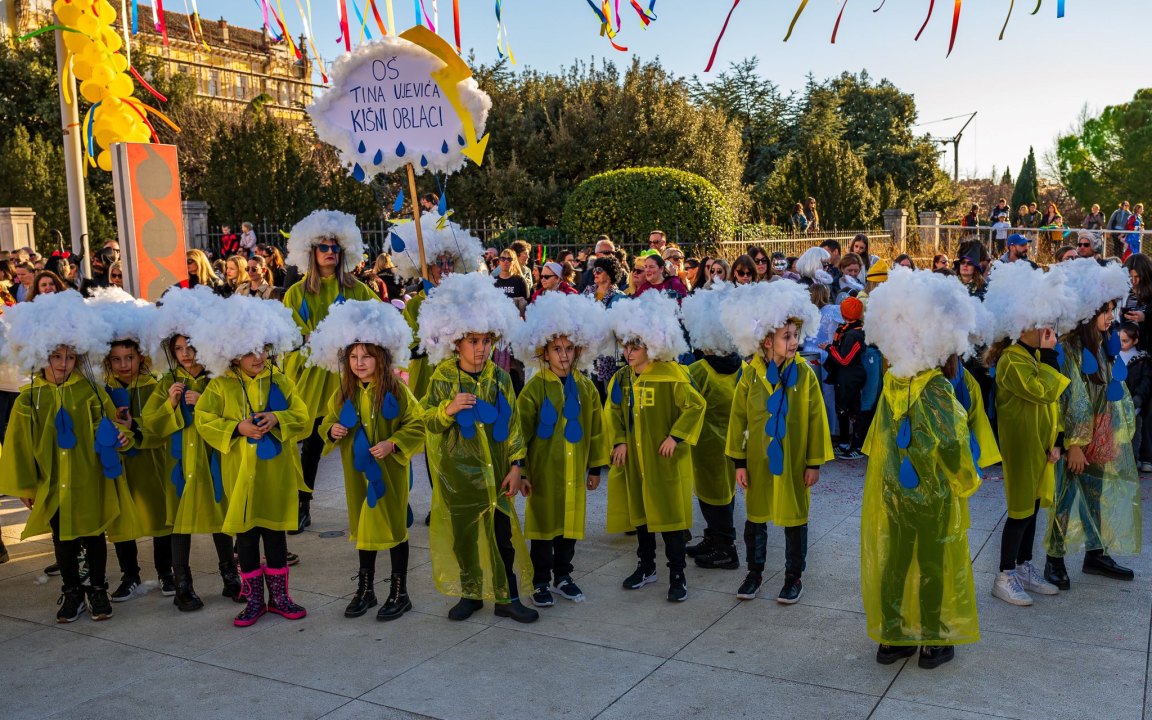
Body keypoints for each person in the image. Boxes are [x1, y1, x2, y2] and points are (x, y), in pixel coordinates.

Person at [859, 268, 983, 669]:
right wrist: (966, 479)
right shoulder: (937, 388)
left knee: (896, 561)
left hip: (896, 490)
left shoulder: (893, 382)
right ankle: (931, 640)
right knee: (932, 562)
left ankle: (892, 637)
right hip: (932, 496)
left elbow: (879, 440)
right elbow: (952, 445)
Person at [0, 290, 133, 622]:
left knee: (94, 534)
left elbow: (110, 427)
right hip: (52, 480)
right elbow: (19, 446)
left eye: (70, 357)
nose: (63, 364)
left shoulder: (90, 391)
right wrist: (27, 486)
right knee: (62, 538)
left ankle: (98, 589)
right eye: (56, 356)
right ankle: (72, 591)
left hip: (89, 477)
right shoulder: (29, 398)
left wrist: (120, 436)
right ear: (40, 354)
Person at [417, 273, 538, 623]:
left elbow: (513, 425)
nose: (482, 348)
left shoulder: (500, 377)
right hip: (458, 475)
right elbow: (426, 420)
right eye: (473, 341)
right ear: (456, 342)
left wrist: (516, 467)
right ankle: (470, 594)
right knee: (465, 537)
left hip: (497, 473)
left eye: (487, 341)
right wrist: (448, 409)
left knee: (503, 538)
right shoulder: (442, 377)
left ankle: (506, 597)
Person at [192, 294, 310, 626]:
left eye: (261, 348)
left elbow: (302, 416)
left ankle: (280, 597)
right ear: (231, 354)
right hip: (240, 475)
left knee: (275, 534)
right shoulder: (220, 387)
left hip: (275, 474)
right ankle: (255, 599)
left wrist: (277, 417)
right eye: (248, 351)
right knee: (245, 537)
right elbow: (204, 420)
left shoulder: (280, 380)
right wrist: (236, 428)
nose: (258, 356)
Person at [310, 301, 425, 620]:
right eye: (353, 357)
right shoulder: (343, 392)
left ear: (381, 357)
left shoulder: (397, 390)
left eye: (367, 356)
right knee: (364, 527)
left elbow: (417, 424)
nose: (359, 363)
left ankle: (400, 592)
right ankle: (366, 589)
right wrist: (331, 430)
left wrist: (393, 443)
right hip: (357, 474)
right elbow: (327, 421)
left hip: (390, 474)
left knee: (395, 528)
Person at [721, 281, 832, 602]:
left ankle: (793, 577)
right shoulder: (750, 375)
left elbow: (816, 420)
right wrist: (740, 462)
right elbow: (739, 420)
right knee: (755, 517)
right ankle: (754, 573)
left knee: (795, 517)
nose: (795, 342)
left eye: (796, 335)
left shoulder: (805, 375)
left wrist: (814, 463)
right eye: (787, 336)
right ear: (766, 341)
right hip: (758, 460)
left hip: (794, 461)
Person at [141, 286, 244, 611]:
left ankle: (231, 577)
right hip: (179, 464)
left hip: (213, 460)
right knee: (180, 521)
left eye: (191, 346)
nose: (185, 354)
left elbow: (236, 417)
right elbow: (151, 424)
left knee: (219, 517)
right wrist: (170, 405)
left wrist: (204, 403)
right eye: (179, 348)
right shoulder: (166, 383)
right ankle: (183, 585)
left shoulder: (219, 380)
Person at [1043, 259, 1141, 587]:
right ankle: (1054, 558)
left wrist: (1115, 431)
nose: (1111, 316)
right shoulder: (1070, 347)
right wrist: (1073, 444)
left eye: (1113, 309)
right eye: (1105, 310)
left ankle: (1095, 553)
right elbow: (1071, 400)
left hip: (1100, 429)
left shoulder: (1101, 344)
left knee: (1095, 494)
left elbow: (1110, 391)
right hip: (1077, 435)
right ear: (1088, 311)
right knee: (1065, 495)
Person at [282, 211, 380, 534]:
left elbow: (378, 320)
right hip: (312, 378)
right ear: (311, 251)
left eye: (335, 247)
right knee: (310, 444)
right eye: (323, 247)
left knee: (362, 437)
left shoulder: (358, 289)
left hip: (351, 376)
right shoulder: (296, 293)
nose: (329, 252)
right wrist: (312, 338)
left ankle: (373, 501)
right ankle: (302, 505)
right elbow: (290, 335)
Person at [605, 291, 706, 602]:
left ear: (653, 345)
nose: (629, 352)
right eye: (626, 345)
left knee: (670, 518)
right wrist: (619, 440)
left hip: (664, 462)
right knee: (642, 515)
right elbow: (613, 411)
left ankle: (678, 575)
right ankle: (646, 567)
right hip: (636, 461)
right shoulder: (622, 378)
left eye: (636, 346)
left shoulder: (672, 374)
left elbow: (695, 405)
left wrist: (675, 436)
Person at [510, 293, 610, 606]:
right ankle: (541, 580)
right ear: (544, 351)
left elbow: (596, 429)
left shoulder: (586, 387)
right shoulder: (534, 388)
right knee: (543, 527)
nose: (564, 355)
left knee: (569, 524)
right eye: (557, 349)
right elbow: (520, 432)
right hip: (543, 473)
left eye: (569, 348)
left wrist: (595, 468)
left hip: (574, 472)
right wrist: (521, 470)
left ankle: (563, 576)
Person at [982, 260, 1070, 606]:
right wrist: (1049, 355)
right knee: (1020, 511)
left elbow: (1053, 406)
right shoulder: (1012, 360)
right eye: (1040, 324)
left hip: (1041, 448)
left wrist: (1058, 440)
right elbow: (1043, 392)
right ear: (1021, 326)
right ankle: (1004, 576)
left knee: (1032, 509)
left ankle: (1023, 566)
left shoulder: (1032, 355)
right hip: (1021, 448)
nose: (1048, 330)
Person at [90, 291, 177, 602]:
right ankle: (130, 575)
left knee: (160, 514)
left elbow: (162, 421)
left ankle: (166, 572)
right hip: (119, 464)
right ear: (107, 360)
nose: (123, 365)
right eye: (116, 359)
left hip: (152, 461)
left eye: (129, 358)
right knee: (122, 518)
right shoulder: (102, 390)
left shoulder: (155, 385)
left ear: (142, 357)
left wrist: (136, 426)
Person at [680, 282, 745, 570]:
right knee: (724, 493)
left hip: (707, 444)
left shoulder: (699, 371)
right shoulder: (742, 368)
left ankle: (725, 548)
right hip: (732, 443)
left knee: (711, 497)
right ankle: (713, 537)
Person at [822, 297, 868, 459]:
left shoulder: (854, 334)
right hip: (845, 377)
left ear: (843, 314)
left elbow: (844, 360)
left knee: (853, 411)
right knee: (841, 409)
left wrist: (828, 348)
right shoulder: (849, 330)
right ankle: (843, 443)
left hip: (851, 378)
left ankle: (857, 447)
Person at [1119, 323, 1152, 472]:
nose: (1121, 344)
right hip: (1116, 402)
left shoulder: (1143, 359)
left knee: (1136, 431)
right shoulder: (1112, 356)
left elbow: (1146, 380)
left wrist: (1138, 396)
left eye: (1125, 341)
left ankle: (1136, 460)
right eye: (1119, 340)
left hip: (1136, 402)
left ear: (1135, 341)